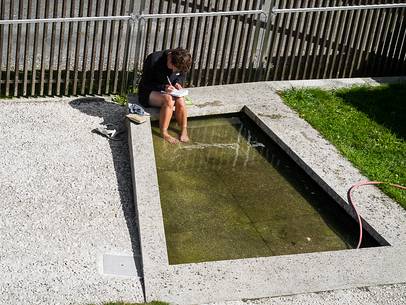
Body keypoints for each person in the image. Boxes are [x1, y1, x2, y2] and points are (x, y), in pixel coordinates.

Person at [138, 48, 192, 144]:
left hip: (170, 91)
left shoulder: (182, 62)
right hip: (149, 91)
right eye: (173, 67)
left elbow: (180, 77)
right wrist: (163, 87)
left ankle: (183, 129)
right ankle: (164, 132)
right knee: (168, 100)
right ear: (169, 58)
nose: (173, 71)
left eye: (177, 70)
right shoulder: (154, 59)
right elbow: (145, 83)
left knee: (181, 100)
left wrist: (178, 84)